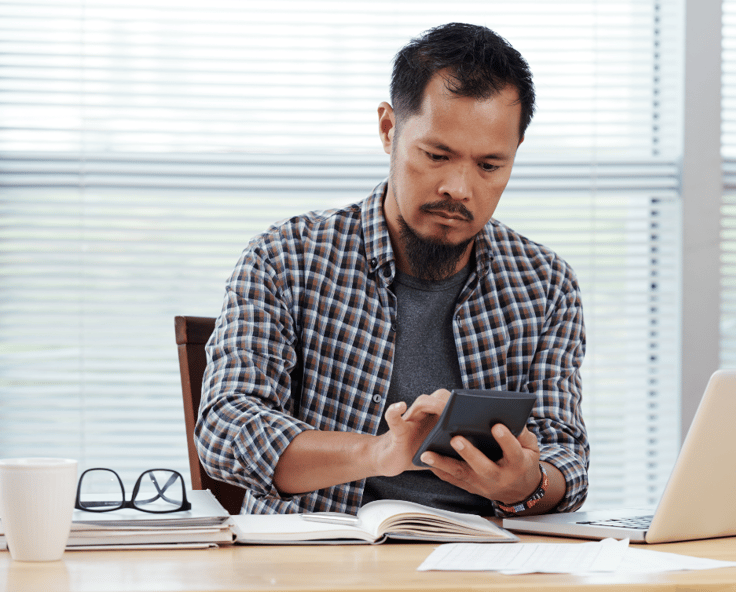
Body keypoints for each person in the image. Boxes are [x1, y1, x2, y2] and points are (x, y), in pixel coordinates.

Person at [196, 22, 589, 517]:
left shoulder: (545, 284)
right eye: (436, 155)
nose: (459, 188)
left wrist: (525, 483)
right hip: (321, 559)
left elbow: (566, 456)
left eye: (490, 166)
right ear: (388, 129)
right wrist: (379, 452)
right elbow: (226, 430)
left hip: (483, 559)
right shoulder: (285, 258)